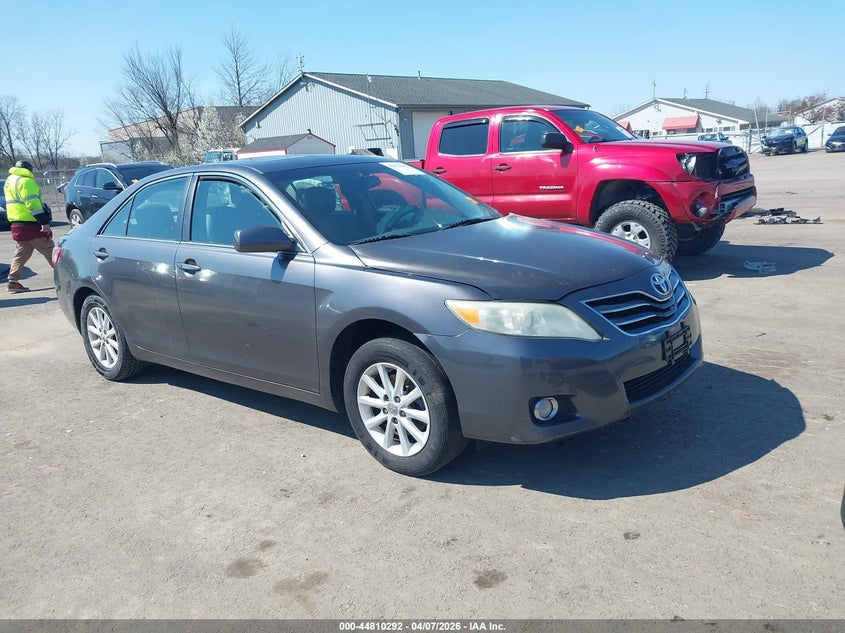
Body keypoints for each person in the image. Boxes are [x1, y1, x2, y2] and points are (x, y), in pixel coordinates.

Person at [3, 160, 54, 293]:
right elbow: (33, 205)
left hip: (17, 225)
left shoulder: (9, 181)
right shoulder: (26, 181)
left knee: (20, 255)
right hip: (32, 225)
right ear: (29, 170)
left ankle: (12, 282)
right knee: (51, 252)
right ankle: (65, 278)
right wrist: (44, 222)